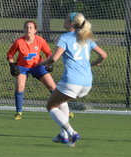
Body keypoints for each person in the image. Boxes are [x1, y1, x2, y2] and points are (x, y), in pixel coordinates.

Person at [38, 12, 107, 147]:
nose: (63, 20)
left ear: (71, 23)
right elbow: (103, 55)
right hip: (86, 83)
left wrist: (39, 64)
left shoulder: (65, 37)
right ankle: (63, 135)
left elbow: (54, 58)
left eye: (66, 18)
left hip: (71, 81)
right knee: (62, 101)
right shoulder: (86, 37)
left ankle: (71, 132)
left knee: (51, 106)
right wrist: (92, 64)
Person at [6, 20, 56, 120]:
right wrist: (11, 65)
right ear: (24, 29)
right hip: (22, 67)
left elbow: (48, 53)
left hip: (38, 66)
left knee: (52, 86)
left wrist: (48, 63)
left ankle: (64, 109)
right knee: (20, 87)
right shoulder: (19, 41)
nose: (28, 29)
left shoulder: (40, 40)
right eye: (26, 27)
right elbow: (10, 54)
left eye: (31, 27)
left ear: (35, 30)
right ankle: (19, 112)